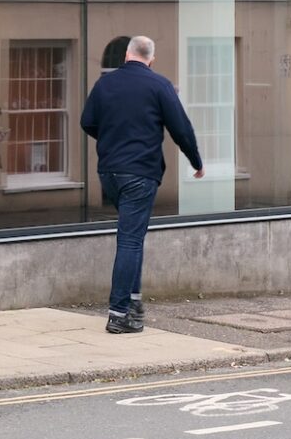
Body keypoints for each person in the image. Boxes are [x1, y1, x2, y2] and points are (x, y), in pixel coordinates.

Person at [79, 35, 203, 335]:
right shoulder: (159, 85)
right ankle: (118, 313)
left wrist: (112, 142)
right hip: (140, 173)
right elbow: (181, 129)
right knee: (131, 240)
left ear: (126, 54)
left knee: (132, 237)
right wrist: (196, 161)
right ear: (151, 59)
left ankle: (133, 303)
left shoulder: (104, 84)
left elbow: (87, 121)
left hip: (109, 172)